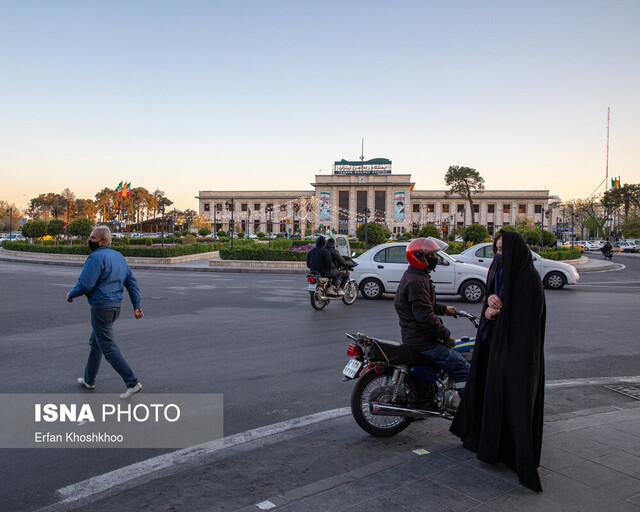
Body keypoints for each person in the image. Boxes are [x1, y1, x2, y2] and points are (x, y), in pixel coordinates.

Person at [450, 230, 546, 492]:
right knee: (489, 396)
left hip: (516, 357)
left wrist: (495, 314)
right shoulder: (499, 270)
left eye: (504, 250)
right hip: (493, 348)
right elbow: (493, 298)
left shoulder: (528, 279)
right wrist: (490, 301)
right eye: (497, 249)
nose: (499, 254)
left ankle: (513, 454)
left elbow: (524, 325)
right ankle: (489, 446)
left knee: (512, 402)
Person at [67, 226, 144, 400]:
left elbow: (85, 283)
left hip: (101, 307)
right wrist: (136, 304)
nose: (90, 240)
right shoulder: (119, 257)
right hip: (114, 307)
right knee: (97, 343)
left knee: (108, 347)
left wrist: (71, 294)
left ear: (103, 241)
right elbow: (131, 282)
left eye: (93, 238)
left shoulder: (95, 257)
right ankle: (89, 379)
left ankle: (132, 383)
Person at [394, 238, 469, 397]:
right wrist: (446, 335)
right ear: (420, 257)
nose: (435, 259)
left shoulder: (414, 276)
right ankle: (467, 411)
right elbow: (425, 316)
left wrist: (446, 310)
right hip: (424, 341)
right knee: (464, 369)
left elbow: (425, 305)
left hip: (415, 337)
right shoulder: (417, 281)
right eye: (431, 256)